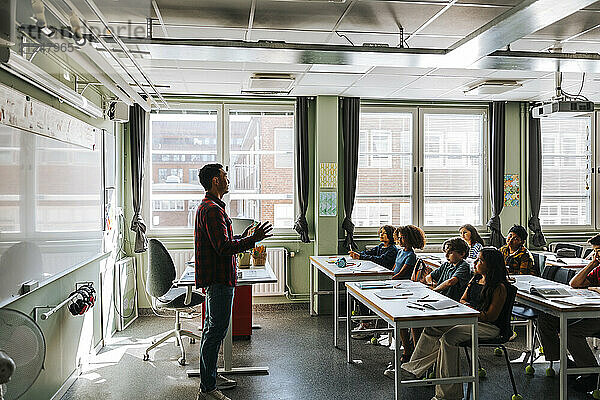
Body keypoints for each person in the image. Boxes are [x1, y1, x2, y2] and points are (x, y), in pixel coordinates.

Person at [194, 164, 273, 400]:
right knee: (214, 332)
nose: (228, 180)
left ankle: (211, 376)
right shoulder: (211, 210)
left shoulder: (213, 207)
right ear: (216, 180)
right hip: (219, 279)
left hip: (220, 278)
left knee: (214, 330)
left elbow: (226, 240)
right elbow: (224, 247)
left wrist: (246, 237)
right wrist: (254, 240)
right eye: (225, 176)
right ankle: (207, 389)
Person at [399, 247, 511, 400]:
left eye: (481, 260)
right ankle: (412, 369)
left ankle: (447, 395)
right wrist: (468, 308)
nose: (476, 262)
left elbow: (491, 316)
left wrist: (471, 311)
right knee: (433, 328)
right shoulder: (476, 279)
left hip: (489, 327)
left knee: (449, 338)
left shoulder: (499, 287)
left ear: (491, 265)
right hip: (469, 318)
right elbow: (463, 300)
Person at [538, 234, 600, 393]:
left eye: (599, 251)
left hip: (597, 315)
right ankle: (565, 364)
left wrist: (596, 289)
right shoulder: (598, 267)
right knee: (546, 319)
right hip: (589, 310)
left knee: (571, 332)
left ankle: (591, 373)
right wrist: (592, 264)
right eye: (595, 252)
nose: (597, 255)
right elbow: (575, 283)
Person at [350, 225, 398, 339]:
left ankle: (366, 323)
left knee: (362, 294)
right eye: (380, 232)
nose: (381, 234)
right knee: (357, 291)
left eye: (385, 233)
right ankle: (364, 318)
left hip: (385, 281)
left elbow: (380, 260)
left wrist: (361, 256)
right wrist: (359, 255)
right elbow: (370, 253)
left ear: (391, 236)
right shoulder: (381, 246)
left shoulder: (392, 250)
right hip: (377, 277)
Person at [392, 225, 426, 363]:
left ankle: (410, 350)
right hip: (395, 285)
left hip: (405, 289)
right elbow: (393, 269)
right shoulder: (400, 252)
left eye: (403, 237)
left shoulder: (411, 255)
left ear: (410, 239)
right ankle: (407, 346)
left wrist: (389, 280)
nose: (400, 240)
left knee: (406, 320)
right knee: (399, 321)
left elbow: (401, 274)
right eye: (398, 237)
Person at [425, 237, 472, 301]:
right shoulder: (446, 264)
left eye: (450, 253)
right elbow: (429, 276)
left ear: (462, 254)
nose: (446, 255)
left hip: (452, 300)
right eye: (446, 252)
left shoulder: (464, 266)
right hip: (441, 297)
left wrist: (435, 290)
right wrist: (431, 284)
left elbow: (450, 282)